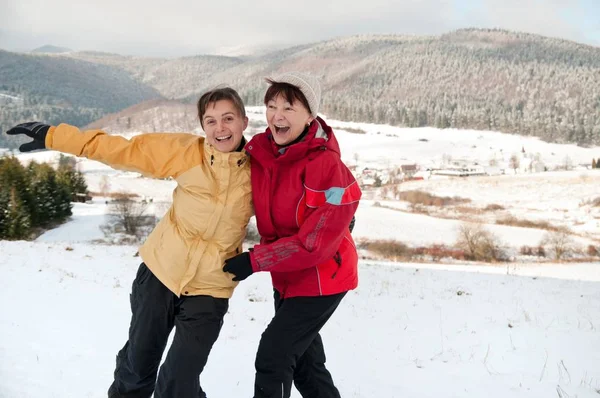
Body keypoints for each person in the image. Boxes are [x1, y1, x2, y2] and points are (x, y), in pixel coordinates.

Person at [6, 87, 253, 398]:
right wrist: (55, 137)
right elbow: (122, 150)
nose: (220, 128)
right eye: (211, 120)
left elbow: (286, 217)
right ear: (202, 126)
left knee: (180, 384)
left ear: (244, 122)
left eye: (228, 118)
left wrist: (258, 258)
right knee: (136, 372)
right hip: (160, 275)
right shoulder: (186, 152)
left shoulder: (260, 171)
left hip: (211, 287)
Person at [223, 72, 362, 398]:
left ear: (310, 116)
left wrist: (254, 260)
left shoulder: (326, 166)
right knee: (305, 365)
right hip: (287, 277)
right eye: (271, 106)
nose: (277, 115)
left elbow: (314, 244)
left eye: (289, 107)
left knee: (274, 356)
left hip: (323, 278)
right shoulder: (263, 153)